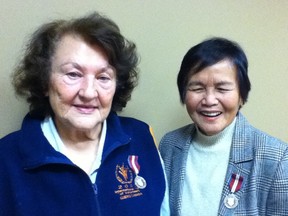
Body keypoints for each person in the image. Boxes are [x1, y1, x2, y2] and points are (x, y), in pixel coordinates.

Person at [0, 12, 169, 216]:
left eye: (103, 77)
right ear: (45, 81)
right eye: (73, 74)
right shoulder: (6, 158)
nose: (89, 92)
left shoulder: (142, 137)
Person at [159, 37, 288, 215]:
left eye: (222, 88)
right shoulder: (170, 144)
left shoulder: (277, 158)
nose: (209, 100)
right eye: (197, 88)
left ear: (241, 95)